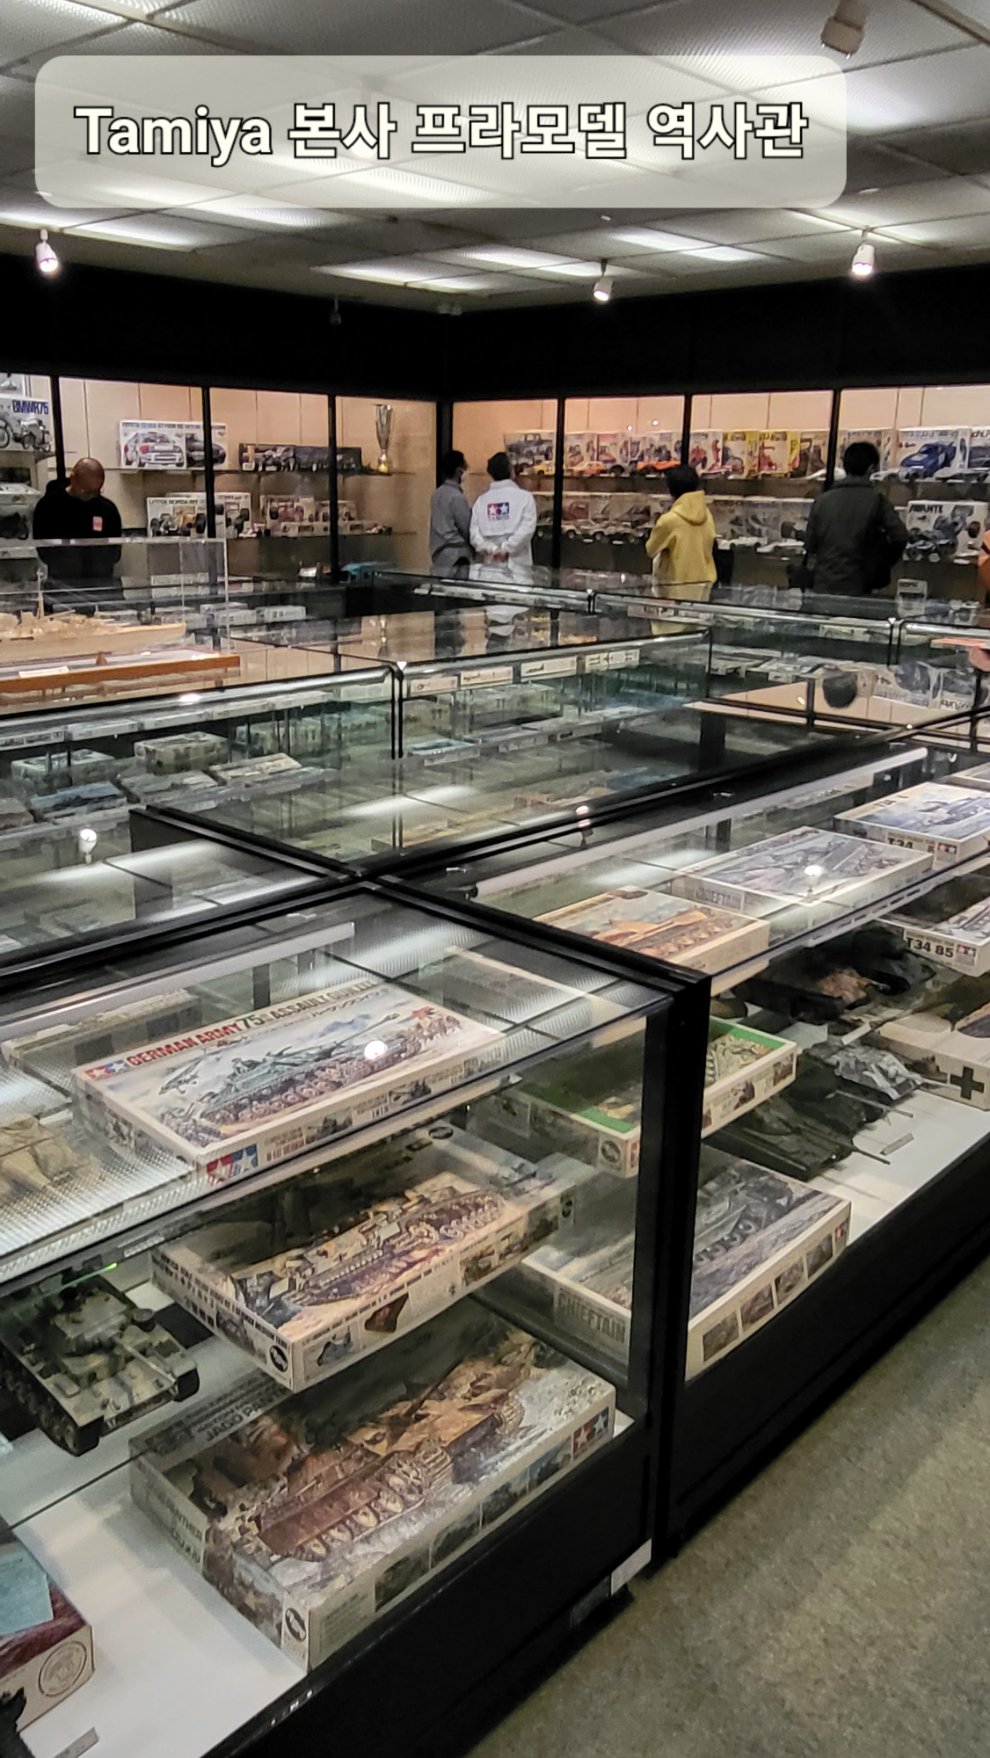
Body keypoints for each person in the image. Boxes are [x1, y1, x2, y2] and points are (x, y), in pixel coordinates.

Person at [803, 440, 907, 595]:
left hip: (823, 583)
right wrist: (882, 562)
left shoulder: (822, 500)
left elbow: (810, 543)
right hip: (860, 584)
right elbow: (900, 536)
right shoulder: (877, 500)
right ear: (871, 468)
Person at [33, 458, 123, 611]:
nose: (90, 496)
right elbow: (43, 549)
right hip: (62, 589)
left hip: (101, 589)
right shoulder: (49, 506)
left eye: (95, 492)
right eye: (85, 491)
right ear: (72, 478)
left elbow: (115, 552)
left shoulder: (107, 509)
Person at [644, 464, 717, 599]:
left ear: (670, 489)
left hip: (676, 588)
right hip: (703, 585)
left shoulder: (669, 520)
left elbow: (650, 549)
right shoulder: (707, 515)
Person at [469, 451, 537, 565]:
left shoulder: (481, 501)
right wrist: (507, 548)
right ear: (511, 471)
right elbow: (527, 529)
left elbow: (474, 535)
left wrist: (492, 549)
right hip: (518, 565)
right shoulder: (525, 498)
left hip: (490, 565)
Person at [429, 448, 472, 571]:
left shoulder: (436, 493)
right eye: (465, 467)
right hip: (457, 554)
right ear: (459, 471)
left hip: (438, 552)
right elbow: (465, 527)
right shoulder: (457, 497)